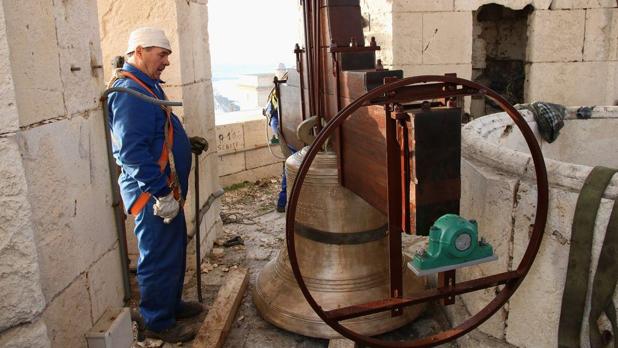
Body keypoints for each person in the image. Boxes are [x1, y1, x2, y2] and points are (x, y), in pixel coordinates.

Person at [107, 27, 201, 343]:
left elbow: (160, 130)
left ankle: (169, 304)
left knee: (172, 250)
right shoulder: (130, 94)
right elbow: (131, 152)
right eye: (162, 55)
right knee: (158, 255)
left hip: (164, 191)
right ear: (140, 52)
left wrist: (185, 143)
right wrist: (161, 193)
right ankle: (158, 321)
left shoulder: (146, 85)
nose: (166, 62)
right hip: (152, 195)